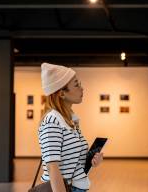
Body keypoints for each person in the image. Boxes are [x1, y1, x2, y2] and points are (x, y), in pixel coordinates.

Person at [38, 62, 103, 192]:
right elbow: (52, 167)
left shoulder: (71, 120)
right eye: (76, 85)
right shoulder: (52, 121)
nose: (82, 88)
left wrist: (93, 160)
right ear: (61, 94)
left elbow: (71, 159)